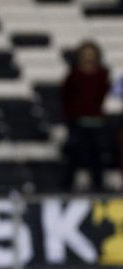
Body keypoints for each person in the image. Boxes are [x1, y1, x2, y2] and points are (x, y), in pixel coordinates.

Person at [61, 40, 112, 191]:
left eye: (91, 54)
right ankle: (67, 184)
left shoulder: (102, 75)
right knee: (74, 152)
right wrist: (72, 118)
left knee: (97, 154)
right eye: (86, 54)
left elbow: (103, 96)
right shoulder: (74, 75)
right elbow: (65, 98)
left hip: (96, 121)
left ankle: (98, 184)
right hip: (77, 121)